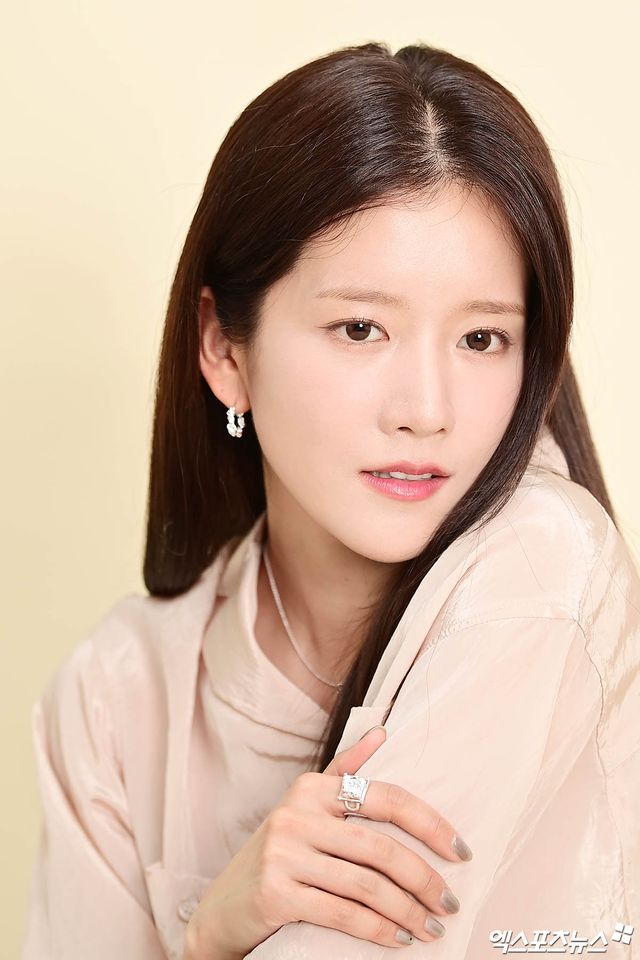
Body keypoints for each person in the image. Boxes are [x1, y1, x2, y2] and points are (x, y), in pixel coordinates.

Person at [22, 40, 639, 960]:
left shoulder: (539, 566)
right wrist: (210, 928)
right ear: (224, 349)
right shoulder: (118, 696)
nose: (426, 410)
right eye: (360, 328)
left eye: (481, 339)